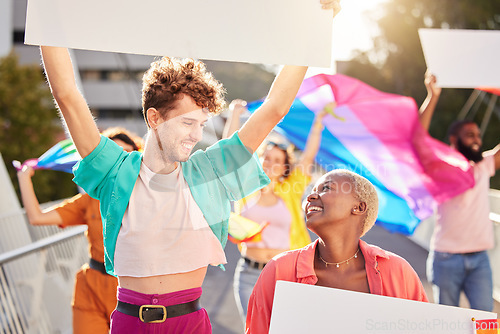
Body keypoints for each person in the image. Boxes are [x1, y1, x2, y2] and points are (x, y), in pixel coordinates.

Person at [39, 2, 340, 332]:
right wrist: (44, 13)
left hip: (189, 323)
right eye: (186, 123)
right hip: (128, 322)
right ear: (154, 118)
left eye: (201, 124)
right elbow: (66, 94)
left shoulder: (209, 170)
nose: (196, 135)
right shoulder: (116, 170)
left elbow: (274, 108)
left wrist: (313, 29)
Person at [245, 169, 428, 333]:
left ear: (358, 207)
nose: (310, 197)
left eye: (326, 188)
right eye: (312, 191)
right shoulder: (279, 270)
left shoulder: (399, 272)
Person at [16, 127, 140, 334]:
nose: (121, 162)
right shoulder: (88, 201)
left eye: (127, 155)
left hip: (132, 289)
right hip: (91, 287)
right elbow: (37, 218)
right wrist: (24, 178)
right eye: (115, 155)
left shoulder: (148, 196)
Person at [224, 100, 330, 323]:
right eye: (267, 158)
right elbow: (230, 153)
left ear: (284, 168)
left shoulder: (290, 191)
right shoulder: (245, 187)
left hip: (286, 274)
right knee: (255, 328)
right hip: (249, 274)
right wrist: (234, 115)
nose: (270, 163)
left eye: (277, 161)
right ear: (259, 159)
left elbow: (309, 156)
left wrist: (318, 123)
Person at [420, 72, 500, 311]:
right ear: (454, 140)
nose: (477, 140)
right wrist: (432, 96)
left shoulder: (484, 165)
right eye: (470, 135)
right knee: (447, 323)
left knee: (485, 321)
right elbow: (418, 138)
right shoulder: (441, 166)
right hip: (447, 259)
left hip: (479, 259)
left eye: (478, 135)